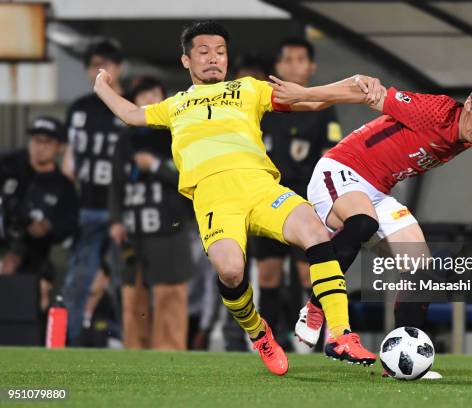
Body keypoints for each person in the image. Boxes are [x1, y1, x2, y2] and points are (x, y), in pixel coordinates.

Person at [92, 21, 385, 375]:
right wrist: (101, 87)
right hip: (214, 198)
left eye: (220, 52)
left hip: (260, 187)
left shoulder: (248, 89)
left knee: (316, 233)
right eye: (203, 52)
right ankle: (259, 333)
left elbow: (306, 97)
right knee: (231, 272)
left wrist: (359, 88)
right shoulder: (175, 105)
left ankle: (340, 334)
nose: (213, 59)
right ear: (186, 61)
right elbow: (131, 114)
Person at [270, 76, 472, 356]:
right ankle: (316, 306)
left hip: (377, 191)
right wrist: (306, 93)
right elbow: (364, 88)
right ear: (469, 103)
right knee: (363, 222)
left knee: (422, 272)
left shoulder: (467, 136)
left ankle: (400, 357)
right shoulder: (437, 111)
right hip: (342, 169)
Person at [254, 38, 342, 348]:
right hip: (266, 196)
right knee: (268, 273)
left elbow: (331, 155)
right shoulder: (262, 104)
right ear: (277, 67)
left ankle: (319, 344)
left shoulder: (321, 107)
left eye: (300, 59)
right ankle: (269, 342)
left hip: (307, 201)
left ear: (311, 66)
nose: (294, 65)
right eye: (287, 59)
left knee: (309, 274)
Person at [109, 76, 194, 350]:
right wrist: (115, 219)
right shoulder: (124, 138)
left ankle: (170, 357)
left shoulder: (180, 131)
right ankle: (134, 353)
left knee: (170, 295)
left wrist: (156, 165)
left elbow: (190, 178)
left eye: (154, 93)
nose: (148, 100)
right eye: (142, 95)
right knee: (133, 296)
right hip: (134, 230)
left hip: (169, 229)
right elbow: (115, 184)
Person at [61, 39, 126, 344]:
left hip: (124, 211)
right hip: (86, 205)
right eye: (93, 65)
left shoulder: (131, 106)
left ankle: (131, 346)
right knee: (79, 281)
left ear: (118, 68)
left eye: (106, 64)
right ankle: (70, 345)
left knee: (125, 282)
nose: (99, 70)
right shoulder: (79, 109)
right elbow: (69, 161)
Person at [0, 116, 78, 325]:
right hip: (4, 244)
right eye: (36, 140)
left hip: (35, 256)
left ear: (60, 148)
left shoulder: (63, 187)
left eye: (47, 142)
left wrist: (48, 228)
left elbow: (70, 224)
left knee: (39, 292)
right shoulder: (9, 166)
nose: (39, 147)